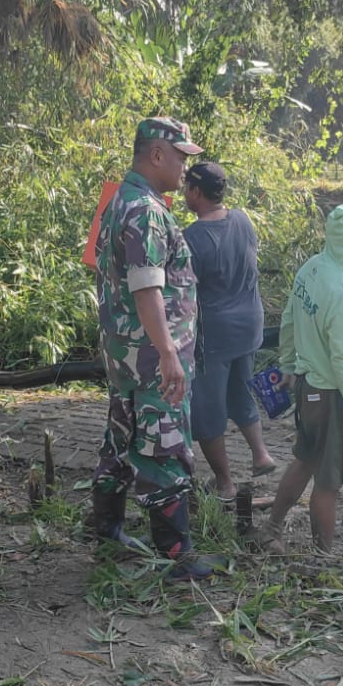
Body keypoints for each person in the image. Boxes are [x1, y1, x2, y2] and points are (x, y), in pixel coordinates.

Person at [90, 117, 223, 583]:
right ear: (157, 155)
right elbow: (146, 288)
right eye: (181, 157)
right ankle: (176, 557)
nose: (186, 168)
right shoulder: (145, 210)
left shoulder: (119, 200)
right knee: (164, 447)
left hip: (125, 353)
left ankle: (106, 530)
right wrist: (168, 352)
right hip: (151, 358)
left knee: (121, 437)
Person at [258, 204, 343, 554]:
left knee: (305, 460)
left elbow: (288, 319)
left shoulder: (311, 268)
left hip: (307, 387)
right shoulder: (341, 294)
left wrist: (287, 364)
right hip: (330, 396)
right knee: (328, 484)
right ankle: (323, 559)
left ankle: (271, 528)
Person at [182, 161, 277, 502]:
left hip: (215, 334)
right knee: (240, 389)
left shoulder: (192, 238)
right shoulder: (242, 220)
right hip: (249, 324)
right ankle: (261, 454)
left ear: (196, 192)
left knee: (207, 408)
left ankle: (225, 483)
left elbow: (183, 290)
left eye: (186, 188)